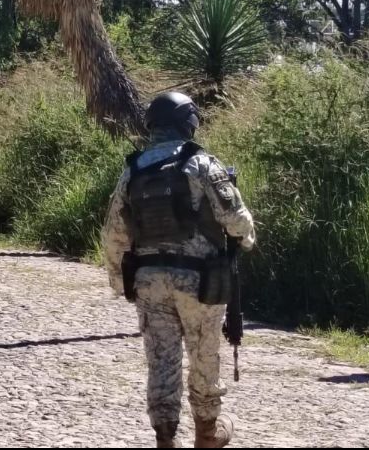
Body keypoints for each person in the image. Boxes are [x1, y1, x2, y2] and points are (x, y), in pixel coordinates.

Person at [102, 92, 256, 448]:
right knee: (203, 357)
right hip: (199, 282)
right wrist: (246, 239)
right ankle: (207, 434)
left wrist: (118, 281)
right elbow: (236, 220)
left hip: (149, 282)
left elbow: (113, 234)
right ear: (189, 123)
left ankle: (165, 438)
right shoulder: (200, 163)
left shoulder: (133, 169)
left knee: (161, 361)